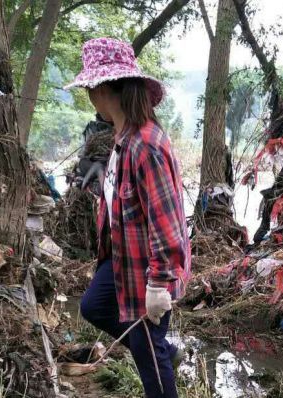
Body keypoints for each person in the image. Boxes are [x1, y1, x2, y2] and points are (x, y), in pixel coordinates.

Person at [64, 38, 191, 398]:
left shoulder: (146, 144)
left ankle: (156, 351)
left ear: (104, 89)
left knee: (150, 358)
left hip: (149, 273)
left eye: (90, 88)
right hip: (123, 263)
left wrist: (158, 284)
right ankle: (159, 346)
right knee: (93, 305)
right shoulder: (122, 138)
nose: (89, 96)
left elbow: (168, 224)